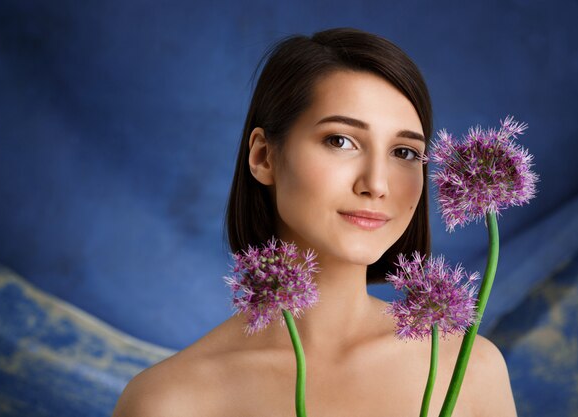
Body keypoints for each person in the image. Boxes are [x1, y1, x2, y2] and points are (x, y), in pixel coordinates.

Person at [112, 27, 517, 417]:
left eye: (405, 152)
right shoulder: (167, 401)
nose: (376, 184)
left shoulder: (469, 372)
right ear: (263, 157)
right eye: (340, 141)